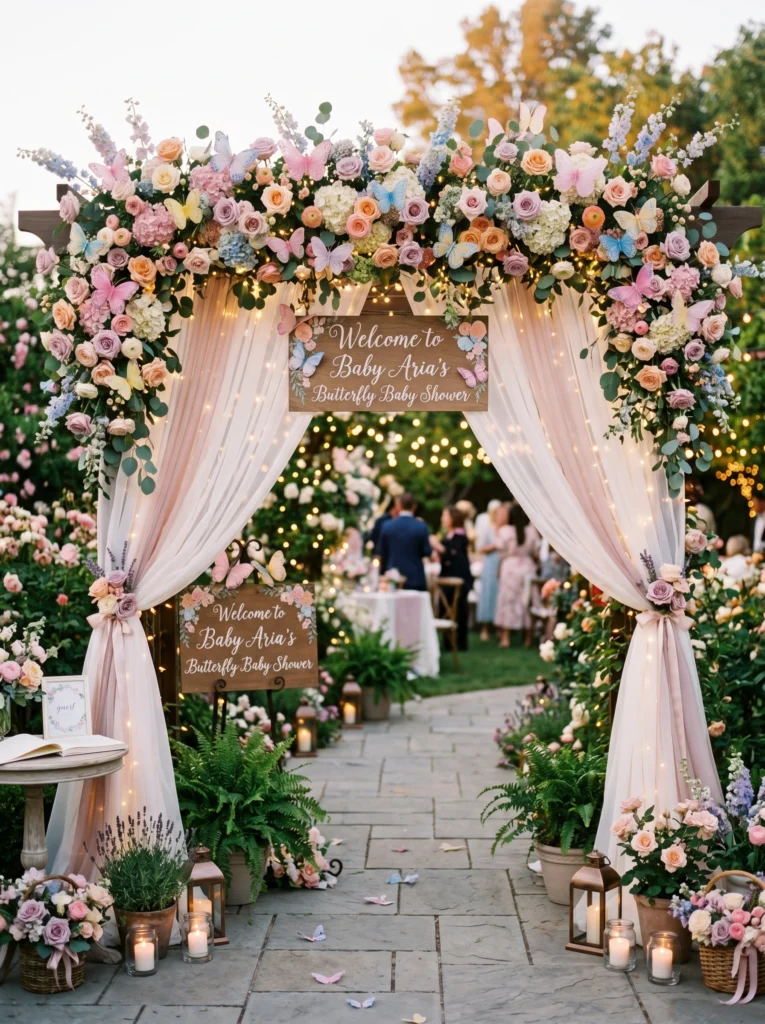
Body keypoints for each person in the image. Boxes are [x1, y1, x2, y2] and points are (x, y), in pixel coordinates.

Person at [494, 503, 540, 648]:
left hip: (510, 567)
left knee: (508, 601)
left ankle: (506, 638)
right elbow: (535, 552)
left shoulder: (505, 531)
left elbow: (500, 550)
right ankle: (528, 638)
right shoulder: (531, 531)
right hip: (527, 568)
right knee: (527, 601)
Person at [431, 505, 473, 651]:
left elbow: (453, 554)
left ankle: (459, 643)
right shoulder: (449, 535)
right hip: (448, 576)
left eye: (445, 516)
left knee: (458, 609)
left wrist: (438, 547)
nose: (443, 519)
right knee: (446, 608)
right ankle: (449, 642)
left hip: (458, 578)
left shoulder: (459, 535)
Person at [378, 493, 431, 591]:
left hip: (392, 577)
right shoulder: (421, 527)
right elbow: (427, 552)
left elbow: (381, 551)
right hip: (416, 578)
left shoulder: (387, 526)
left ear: (398, 506)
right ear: (414, 506)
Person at [475, 502, 507, 641]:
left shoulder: (507, 530)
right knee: (487, 594)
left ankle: (500, 627)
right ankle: (485, 627)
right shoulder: (488, 528)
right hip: (490, 563)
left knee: (500, 595)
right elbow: (480, 548)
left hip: (503, 564)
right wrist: (495, 546)